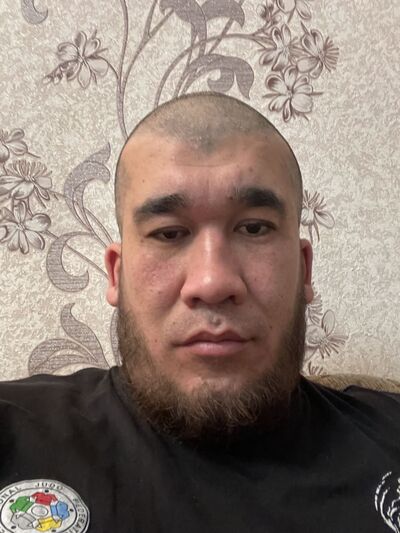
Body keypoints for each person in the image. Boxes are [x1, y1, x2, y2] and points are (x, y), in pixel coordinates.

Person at [0, 92, 399, 533]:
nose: (213, 282)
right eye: (169, 233)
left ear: (304, 269)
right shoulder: (15, 433)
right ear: (117, 275)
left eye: (254, 228)